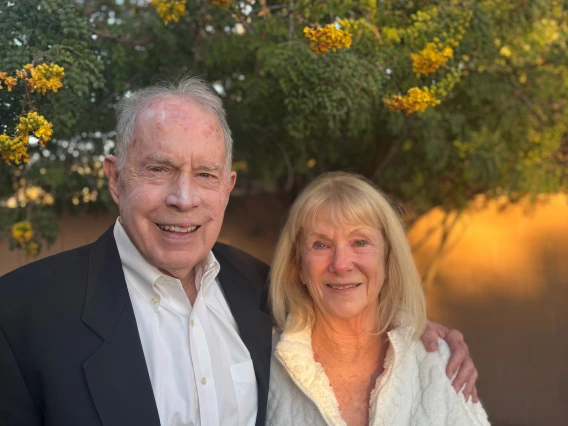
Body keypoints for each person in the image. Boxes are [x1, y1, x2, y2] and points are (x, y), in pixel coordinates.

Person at [0, 77, 477, 426]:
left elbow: (348, 315)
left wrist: (420, 337)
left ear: (227, 187)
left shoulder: (261, 289)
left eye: (205, 174)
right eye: (159, 169)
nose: (183, 199)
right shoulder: (22, 314)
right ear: (114, 177)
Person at [267, 172, 490, 426]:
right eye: (321, 245)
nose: (341, 265)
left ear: (387, 259)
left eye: (360, 242)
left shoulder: (439, 362)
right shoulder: (261, 366)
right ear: (298, 266)